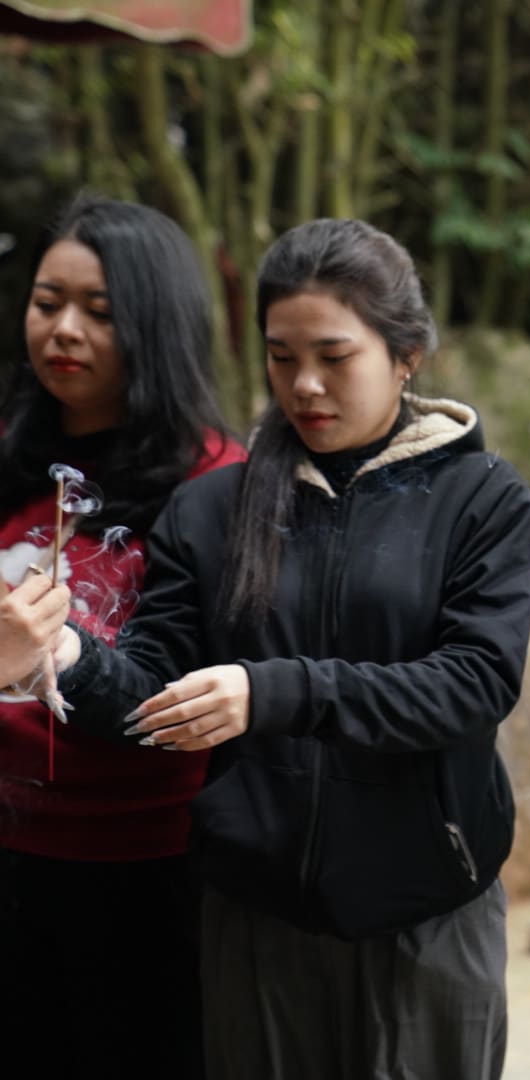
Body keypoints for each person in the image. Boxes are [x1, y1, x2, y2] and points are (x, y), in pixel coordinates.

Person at [35, 218, 530, 1080]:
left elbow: (474, 684)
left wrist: (270, 692)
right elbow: (154, 694)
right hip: (255, 912)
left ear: (408, 354)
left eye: (334, 356)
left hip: (427, 910)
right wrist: (64, 657)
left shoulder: (482, 500)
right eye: (280, 357)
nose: (304, 385)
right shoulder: (212, 509)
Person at [0, 195, 243, 1080]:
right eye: (46, 300)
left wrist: (51, 655)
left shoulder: (218, 483)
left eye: (99, 312)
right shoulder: (8, 457)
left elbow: (187, 689)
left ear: (155, 321)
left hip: (153, 865)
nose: (62, 329)